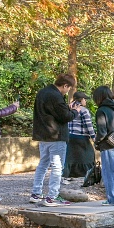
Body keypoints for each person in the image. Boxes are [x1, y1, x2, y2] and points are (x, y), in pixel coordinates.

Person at [31, 74, 79, 207]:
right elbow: (65, 116)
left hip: (43, 135)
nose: (67, 91)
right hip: (56, 135)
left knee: (43, 164)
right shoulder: (56, 96)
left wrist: (67, 108)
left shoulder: (43, 92)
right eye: (68, 88)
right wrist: (75, 111)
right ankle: (52, 197)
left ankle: (36, 193)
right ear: (65, 85)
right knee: (57, 167)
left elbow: (53, 112)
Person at [63, 91, 96, 179]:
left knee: (71, 157)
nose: (85, 101)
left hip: (70, 136)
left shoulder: (68, 108)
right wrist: (93, 137)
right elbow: (88, 125)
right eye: (85, 99)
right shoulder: (84, 110)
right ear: (81, 100)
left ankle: (68, 174)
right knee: (88, 155)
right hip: (81, 137)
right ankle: (87, 173)